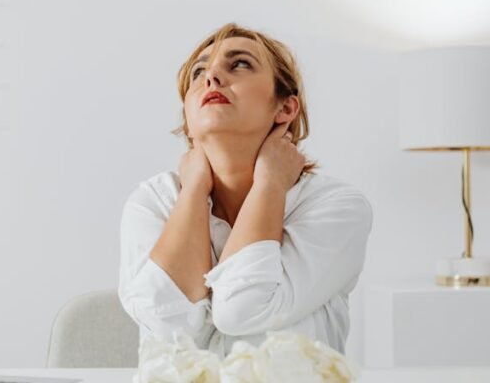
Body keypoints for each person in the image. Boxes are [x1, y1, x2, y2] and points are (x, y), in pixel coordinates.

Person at [118, 22, 373, 358]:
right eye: (198, 72)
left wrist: (270, 183)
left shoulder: (337, 207)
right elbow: (168, 324)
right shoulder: (153, 201)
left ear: (285, 108)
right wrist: (194, 189)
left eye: (239, 64)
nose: (211, 78)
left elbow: (243, 309)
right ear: (188, 119)